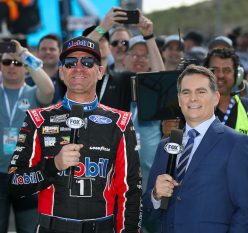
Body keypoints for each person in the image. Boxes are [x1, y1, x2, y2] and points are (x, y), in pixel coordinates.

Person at [8, 36, 142, 233]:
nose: (79, 68)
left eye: (88, 62)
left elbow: (130, 191)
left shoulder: (120, 122)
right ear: (62, 72)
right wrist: (53, 166)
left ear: (100, 72)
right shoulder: (38, 119)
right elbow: (15, 182)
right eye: (71, 63)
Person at [143, 65, 248, 233]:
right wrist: (155, 195)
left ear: (216, 97)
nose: (193, 98)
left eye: (201, 92)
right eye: (186, 92)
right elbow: (147, 211)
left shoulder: (237, 143)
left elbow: (245, 212)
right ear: (179, 100)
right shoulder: (164, 147)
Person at [1, 40, 54, 233]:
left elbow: (49, 89)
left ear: (26, 68)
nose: (12, 67)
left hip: (26, 174)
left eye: (17, 63)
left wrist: (24, 54)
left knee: (30, 230)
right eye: (7, 62)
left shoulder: (33, 93)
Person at [204, 48, 248, 200]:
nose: (220, 75)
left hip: (240, 203)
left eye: (226, 70)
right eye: (214, 70)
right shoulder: (193, 109)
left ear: (237, 75)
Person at [25, 34, 66, 103]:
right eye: (43, 49)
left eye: (52, 49)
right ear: (37, 53)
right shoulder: (26, 81)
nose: (47, 52)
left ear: (60, 53)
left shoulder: (69, 80)